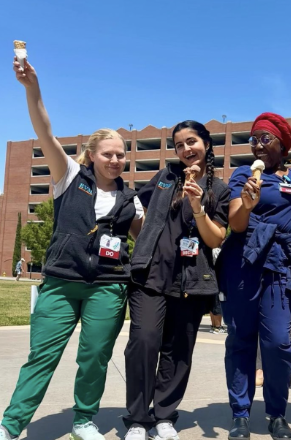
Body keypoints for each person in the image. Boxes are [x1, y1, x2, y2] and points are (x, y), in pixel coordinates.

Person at [0, 59, 144, 440]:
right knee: (42, 357)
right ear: (92, 154)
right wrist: (32, 88)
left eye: (120, 154)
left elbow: (148, 235)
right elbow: (43, 128)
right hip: (62, 283)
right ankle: (11, 424)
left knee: (94, 358)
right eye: (108, 153)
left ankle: (83, 420)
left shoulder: (132, 198)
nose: (115, 160)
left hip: (108, 286)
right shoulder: (67, 177)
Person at [123, 120, 230, 440]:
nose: (186, 149)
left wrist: (198, 207)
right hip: (149, 277)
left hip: (191, 281)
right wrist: (142, 244)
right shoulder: (164, 178)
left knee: (179, 349)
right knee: (143, 343)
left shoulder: (219, 189)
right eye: (179, 145)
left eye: (192, 141)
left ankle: (165, 415)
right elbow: (135, 214)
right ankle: (139, 419)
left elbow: (216, 239)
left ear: (207, 144)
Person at [217, 112, 291, 440]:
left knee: (278, 343)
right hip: (244, 262)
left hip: (281, 265)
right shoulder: (243, 174)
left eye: (264, 138)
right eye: (253, 139)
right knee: (241, 340)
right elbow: (236, 224)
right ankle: (240, 413)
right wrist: (246, 202)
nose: (257, 145)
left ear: (282, 144)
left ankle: (276, 413)